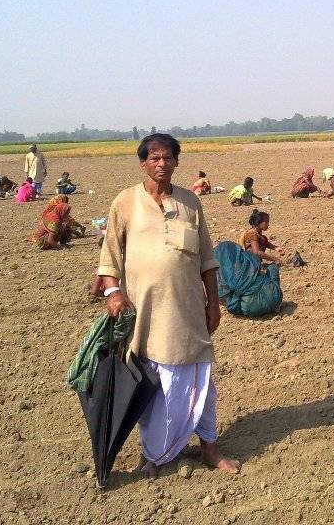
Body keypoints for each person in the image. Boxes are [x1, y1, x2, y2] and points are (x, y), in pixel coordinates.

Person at [96, 133, 239, 478]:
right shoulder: (125, 202)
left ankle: (210, 449)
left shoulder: (191, 202)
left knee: (199, 378)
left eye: (168, 158)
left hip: (188, 310)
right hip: (143, 312)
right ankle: (157, 453)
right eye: (154, 158)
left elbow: (207, 258)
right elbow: (110, 256)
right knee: (155, 383)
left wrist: (214, 302)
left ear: (177, 161)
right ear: (143, 162)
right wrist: (113, 293)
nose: (162, 164)